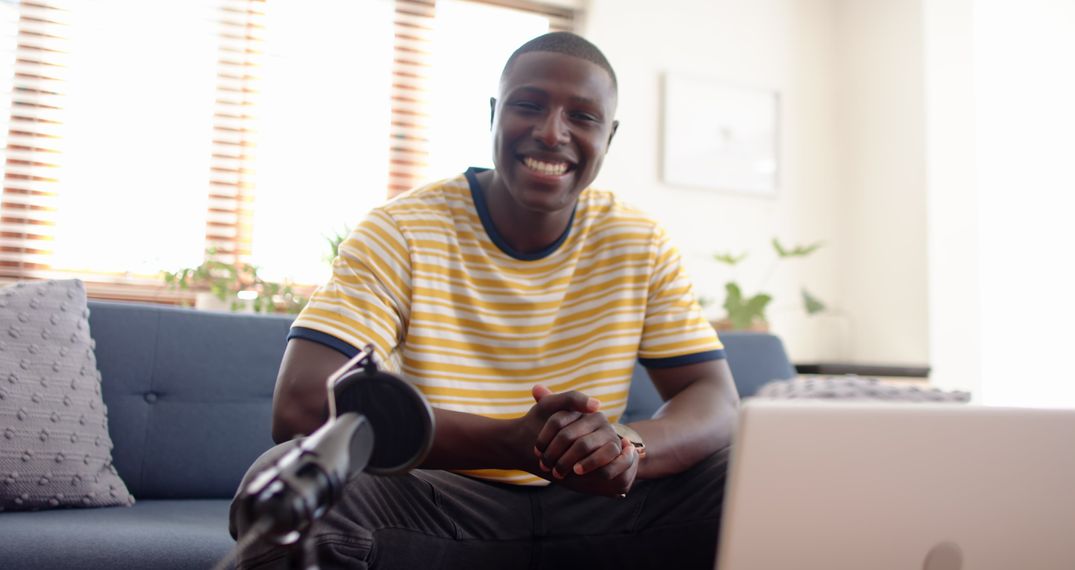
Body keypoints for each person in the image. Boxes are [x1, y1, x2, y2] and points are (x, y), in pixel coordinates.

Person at [230, 31, 739, 569]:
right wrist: (511, 443)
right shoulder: (401, 230)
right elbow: (303, 404)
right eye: (529, 106)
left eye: (582, 117)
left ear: (608, 137)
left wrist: (628, 447)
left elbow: (714, 398)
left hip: (598, 507)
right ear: (494, 114)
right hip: (439, 503)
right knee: (288, 475)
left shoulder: (639, 242)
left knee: (756, 476)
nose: (551, 132)